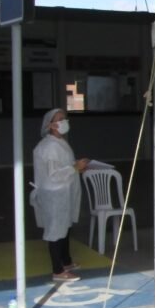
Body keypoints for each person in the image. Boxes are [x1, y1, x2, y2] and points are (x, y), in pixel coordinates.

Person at [31, 109, 88, 282]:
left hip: (63, 192)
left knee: (65, 226)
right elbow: (54, 174)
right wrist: (74, 168)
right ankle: (58, 270)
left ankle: (66, 261)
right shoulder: (49, 147)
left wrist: (76, 167)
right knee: (56, 231)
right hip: (54, 194)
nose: (64, 122)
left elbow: (64, 166)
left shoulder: (60, 142)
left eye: (65, 118)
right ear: (51, 125)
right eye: (60, 119)